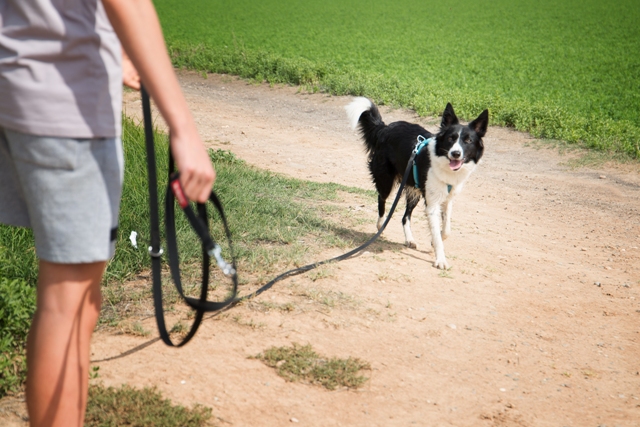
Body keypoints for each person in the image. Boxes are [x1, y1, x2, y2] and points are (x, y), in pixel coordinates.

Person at [0, 1, 215, 426]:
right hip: (65, 102)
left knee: (81, 301)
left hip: (17, 79)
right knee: (68, 304)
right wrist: (184, 127)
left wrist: (108, 47)